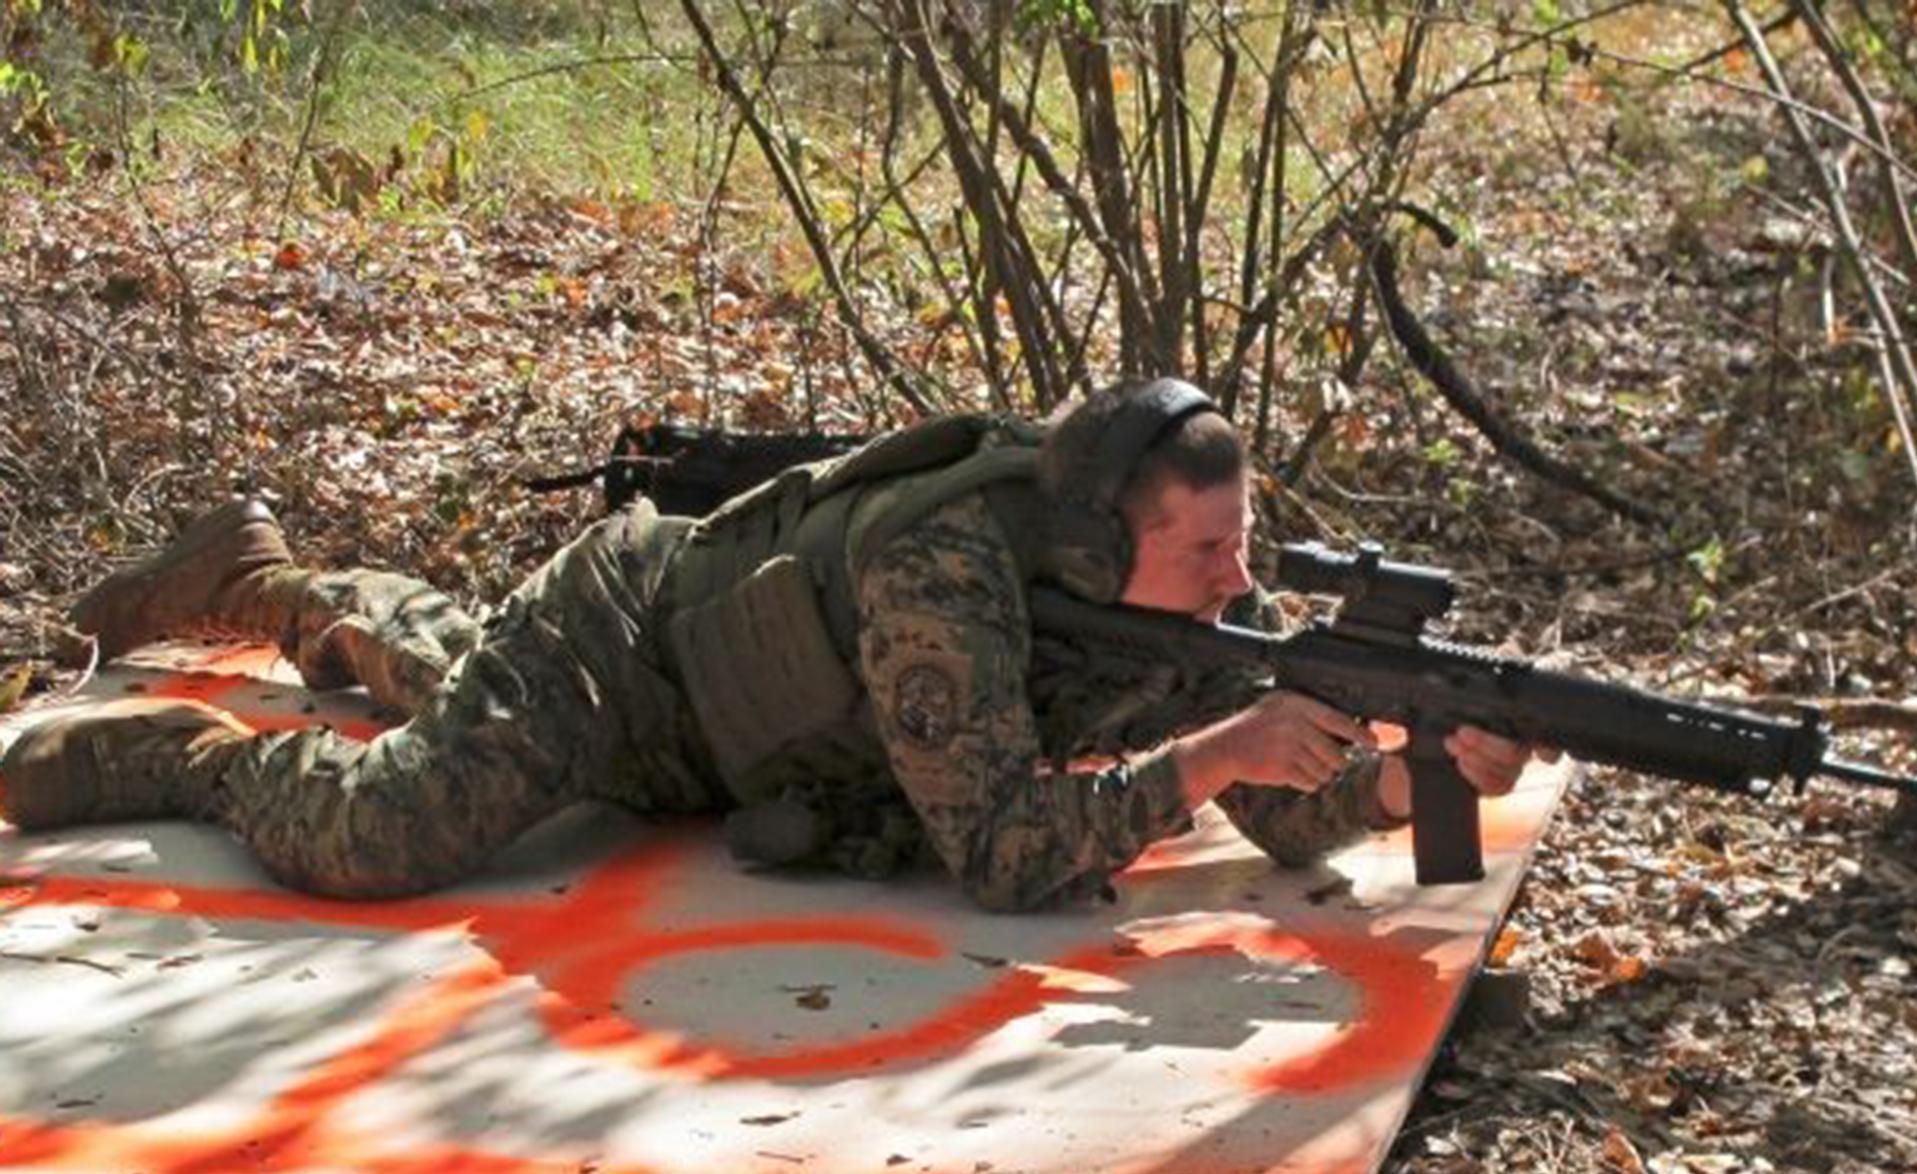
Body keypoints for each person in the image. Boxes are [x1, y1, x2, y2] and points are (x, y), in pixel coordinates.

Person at [0, 379, 1538, 909]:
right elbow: (1003, 851)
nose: (1241, 577)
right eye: (1207, 550)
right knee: (385, 832)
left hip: (743, 718)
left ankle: (271, 584)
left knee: (449, 666)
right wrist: (1206, 754)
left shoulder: (1177, 594)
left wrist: (1398, 787)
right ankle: (194, 759)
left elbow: (1264, 801)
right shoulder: (952, 575)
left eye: (1243, 539)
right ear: (1100, 542)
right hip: (630, 649)